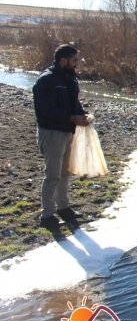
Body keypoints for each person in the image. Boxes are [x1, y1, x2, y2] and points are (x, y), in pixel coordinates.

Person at [32, 44, 91, 229]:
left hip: (68, 131)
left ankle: (63, 207)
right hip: (51, 133)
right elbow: (44, 111)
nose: (77, 64)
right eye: (74, 60)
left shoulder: (70, 78)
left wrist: (82, 114)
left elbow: (74, 102)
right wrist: (71, 117)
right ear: (63, 60)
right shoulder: (46, 80)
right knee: (52, 175)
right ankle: (47, 214)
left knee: (65, 172)